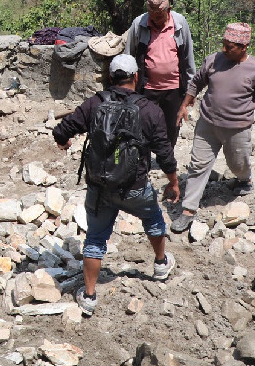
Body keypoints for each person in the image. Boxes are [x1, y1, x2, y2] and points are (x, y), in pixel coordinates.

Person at [51, 54, 180, 317]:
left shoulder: (94, 104)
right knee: (154, 220)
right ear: (136, 77)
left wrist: (64, 142)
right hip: (135, 186)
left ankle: (88, 296)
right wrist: (174, 182)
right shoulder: (149, 109)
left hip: (99, 187)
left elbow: (62, 130)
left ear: (110, 78)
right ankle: (159, 263)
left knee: (95, 239)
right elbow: (164, 152)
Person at [171, 23, 255, 233]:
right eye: (224, 45)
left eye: (230, 47)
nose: (225, 50)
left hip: (237, 128)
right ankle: (188, 210)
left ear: (244, 47)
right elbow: (196, 82)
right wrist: (184, 105)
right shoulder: (213, 60)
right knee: (198, 165)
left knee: (237, 165)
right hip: (207, 124)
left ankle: (245, 179)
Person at [124, 0, 196, 145]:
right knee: (144, 124)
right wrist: (127, 86)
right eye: (152, 15)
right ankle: (144, 160)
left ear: (168, 9)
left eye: (159, 15)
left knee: (172, 126)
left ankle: (167, 159)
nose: (156, 19)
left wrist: (191, 89)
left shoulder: (180, 23)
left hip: (174, 87)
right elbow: (128, 56)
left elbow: (188, 56)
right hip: (148, 86)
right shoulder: (139, 24)